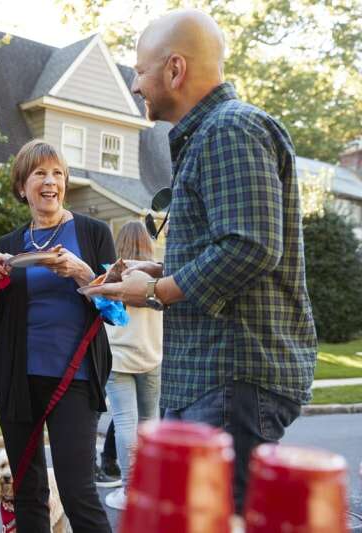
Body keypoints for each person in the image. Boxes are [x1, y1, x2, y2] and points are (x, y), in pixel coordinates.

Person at [81, 9, 317, 511]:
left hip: (233, 378)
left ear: (174, 69)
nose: (135, 83)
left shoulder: (229, 128)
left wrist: (153, 292)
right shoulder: (209, 136)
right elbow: (229, 248)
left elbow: (251, 246)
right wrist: (158, 271)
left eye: (140, 70)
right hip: (212, 380)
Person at [0, 139, 114, 532]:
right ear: (23, 186)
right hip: (18, 381)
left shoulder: (92, 234)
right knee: (28, 490)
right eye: (39, 173)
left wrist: (82, 273)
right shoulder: (11, 245)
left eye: (57, 173)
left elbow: (115, 308)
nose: (50, 181)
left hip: (76, 378)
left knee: (77, 491)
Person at [101, 222, 163, 510]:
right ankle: (150, 489)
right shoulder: (158, 275)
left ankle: (130, 492)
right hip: (151, 357)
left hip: (117, 358)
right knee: (150, 423)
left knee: (126, 424)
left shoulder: (110, 273)